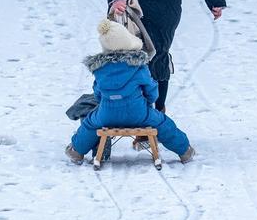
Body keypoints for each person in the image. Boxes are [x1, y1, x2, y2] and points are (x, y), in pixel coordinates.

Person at [65, 19, 194, 164]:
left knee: (89, 124)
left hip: (107, 114)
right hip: (138, 113)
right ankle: (185, 150)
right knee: (163, 123)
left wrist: (105, 102)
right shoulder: (138, 66)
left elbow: (98, 93)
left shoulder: (100, 69)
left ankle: (76, 151)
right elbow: (151, 89)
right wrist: (148, 102)